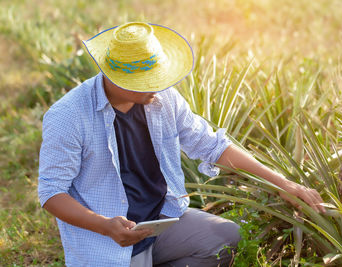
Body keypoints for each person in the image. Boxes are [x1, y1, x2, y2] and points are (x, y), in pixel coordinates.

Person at [38, 22, 325, 267]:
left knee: (228, 240)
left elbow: (213, 146)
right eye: (147, 80)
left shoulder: (164, 100)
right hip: (105, 243)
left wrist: (283, 184)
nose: (158, 85)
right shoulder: (68, 116)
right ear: (117, 78)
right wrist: (104, 226)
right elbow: (52, 193)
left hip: (158, 224)